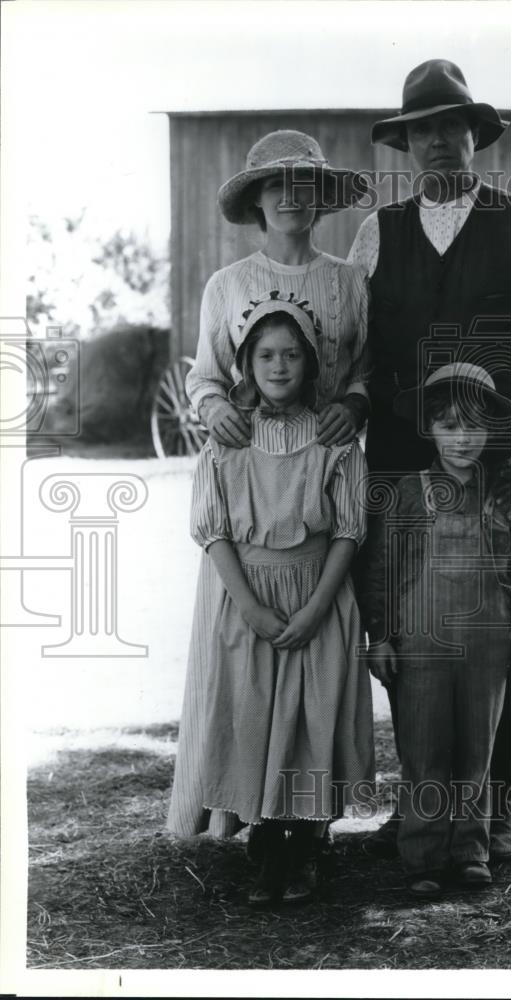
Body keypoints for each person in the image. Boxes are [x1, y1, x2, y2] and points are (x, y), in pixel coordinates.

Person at [349, 59, 511, 861]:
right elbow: (355, 356)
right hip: (398, 465)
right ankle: (425, 802)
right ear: (406, 143)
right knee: (407, 639)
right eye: (423, 130)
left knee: (497, 634)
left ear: (475, 136)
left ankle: (494, 801)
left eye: (452, 126)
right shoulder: (376, 233)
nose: (439, 141)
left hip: (493, 462)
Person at [167, 294, 374, 905]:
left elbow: (348, 531)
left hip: (318, 596)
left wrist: (316, 608)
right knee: (253, 713)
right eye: (265, 355)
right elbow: (213, 532)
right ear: (246, 365)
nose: (279, 366)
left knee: (313, 716)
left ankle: (305, 845)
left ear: (311, 364)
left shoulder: (337, 442)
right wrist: (251, 607)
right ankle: (266, 846)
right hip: (249, 598)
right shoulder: (227, 443)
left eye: (291, 355)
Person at [361, 363, 511, 899]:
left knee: (477, 750)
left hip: (488, 646)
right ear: (429, 428)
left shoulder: (506, 498)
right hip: (420, 647)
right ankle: (423, 856)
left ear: (490, 430)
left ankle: (470, 850)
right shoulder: (407, 494)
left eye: (474, 425)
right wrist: (379, 636)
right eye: (449, 425)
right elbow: (380, 570)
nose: (463, 437)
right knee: (424, 750)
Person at [187, 129, 372, 449]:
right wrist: (214, 408)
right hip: (251, 457)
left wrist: (353, 408)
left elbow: (364, 372)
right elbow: (206, 376)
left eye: (302, 184)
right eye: (275, 185)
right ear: (256, 197)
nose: (289, 197)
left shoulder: (352, 280)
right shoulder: (226, 285)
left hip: (332, 457)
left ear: (319, 193)